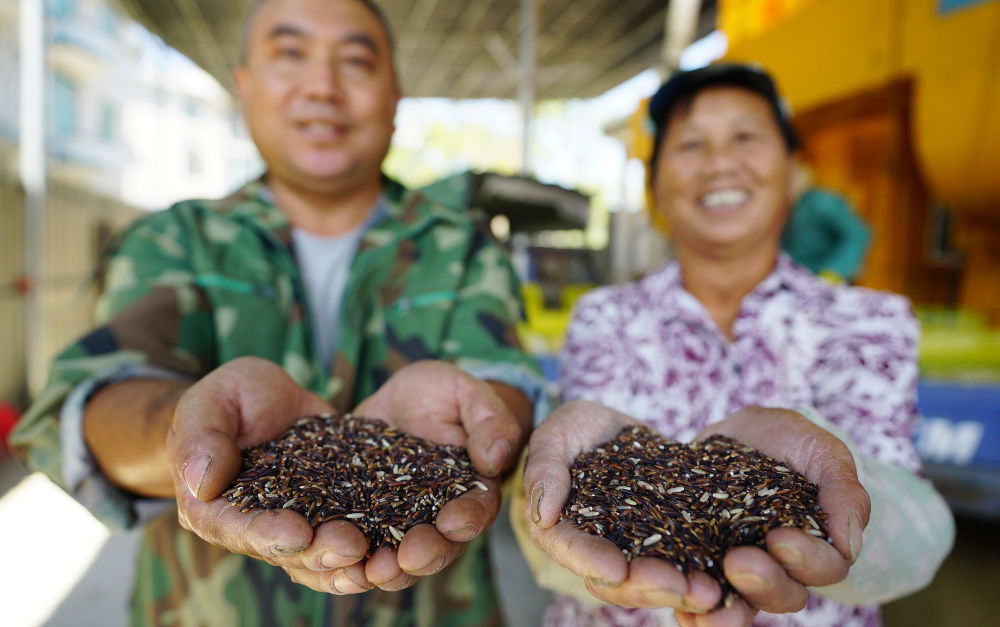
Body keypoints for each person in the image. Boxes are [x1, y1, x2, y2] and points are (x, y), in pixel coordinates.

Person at [9, 0, 548, 624]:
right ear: (243, 86)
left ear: (396, 96)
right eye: (290, 54)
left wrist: (484, 420)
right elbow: (98, 397)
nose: (322, 86)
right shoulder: (176, 239)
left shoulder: (463, 246)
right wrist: (193, 434)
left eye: (354, 61)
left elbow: (504, 384)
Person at [511, 63, 954, 626]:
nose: (720, 161)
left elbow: (913, 544)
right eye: (691, 144)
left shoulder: (869, 322)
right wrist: (544, 510)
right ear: (656, 186)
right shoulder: (606, 317)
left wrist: (825, 466)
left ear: (794, 171)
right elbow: (562, 517)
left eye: (746, 137)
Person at [781, 174, 871, 283]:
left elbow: (857, 234)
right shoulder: (781, 208)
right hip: (793, 278)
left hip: (825, 278)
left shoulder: (821, 203)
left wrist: (833, 273)